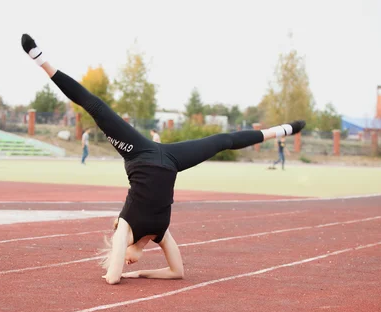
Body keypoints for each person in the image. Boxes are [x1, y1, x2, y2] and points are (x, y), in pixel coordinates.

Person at [22, 33, 305, 284]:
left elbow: (111, 279)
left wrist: (120, 268)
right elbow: (177, 273)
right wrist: (141, 273)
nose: (126, 261)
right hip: (170, 159)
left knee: (95, 107)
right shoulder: (160, 234)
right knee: (223, 142)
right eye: (126, 260)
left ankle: (40, 59)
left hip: (137, 152)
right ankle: (282, 129)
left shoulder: (125, 226)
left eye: (122, 258)